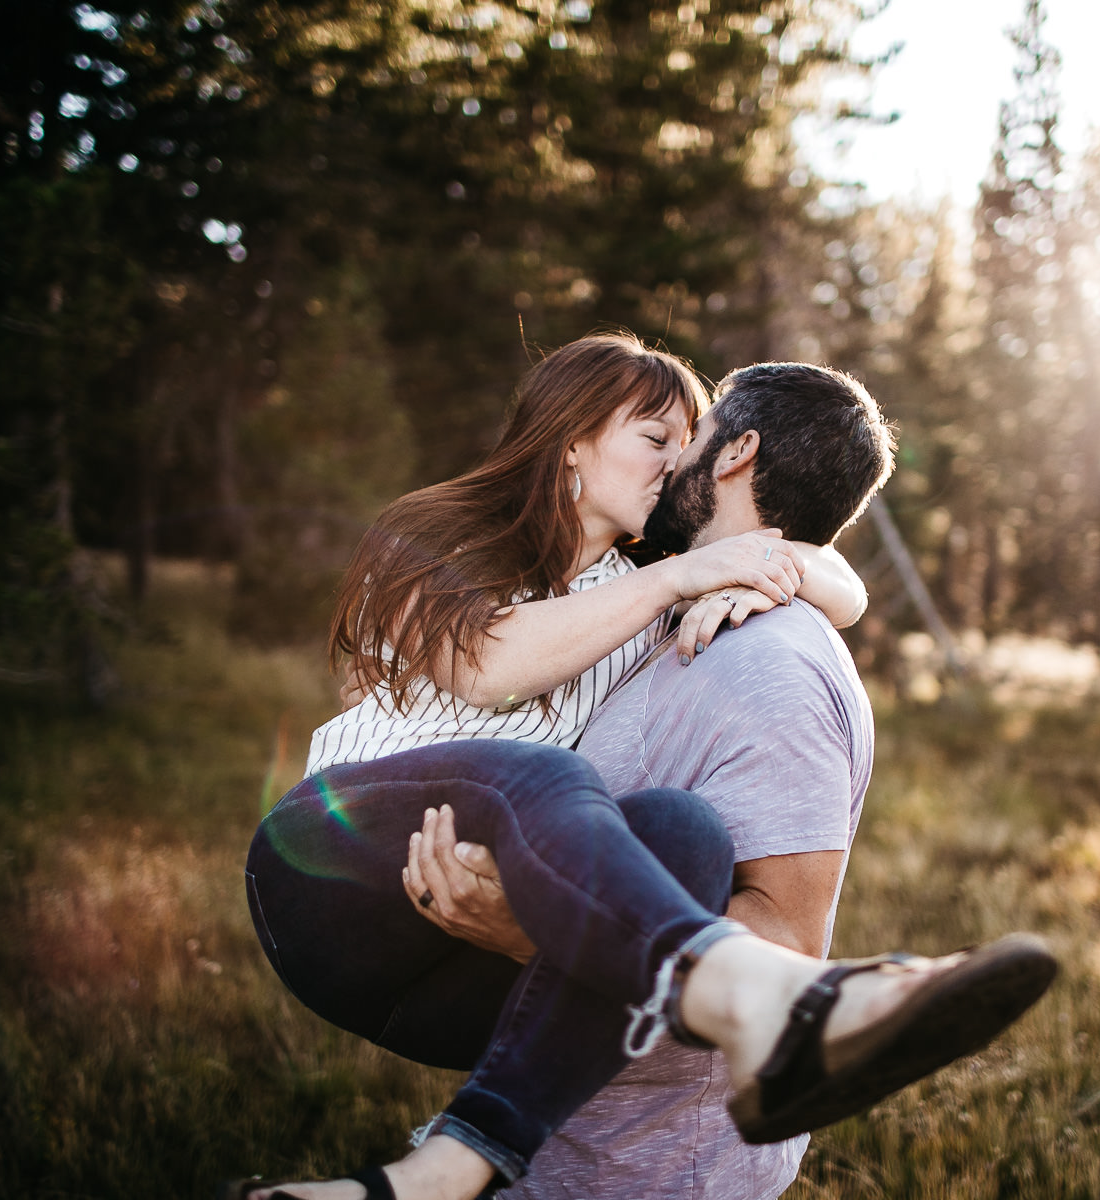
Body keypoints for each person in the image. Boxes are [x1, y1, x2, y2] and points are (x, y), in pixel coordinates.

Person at [232, 337, 1056, 1200]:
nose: (676, 462)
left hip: (451, 983)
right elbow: (488, 668)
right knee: (545, 778)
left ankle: (445, 1171)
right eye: (655, 437)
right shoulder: (434, 537)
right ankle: (762, 999)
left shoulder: (645, 585)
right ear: (572, 439)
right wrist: (694, 574)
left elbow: (844, 585)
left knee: (682, 833)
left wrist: (776, 568)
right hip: (330, 881)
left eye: (688, 441)